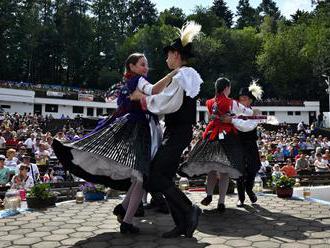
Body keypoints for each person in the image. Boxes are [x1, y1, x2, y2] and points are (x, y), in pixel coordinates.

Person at [53, 52, 177, 234]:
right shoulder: (138, 81)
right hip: (141, 130)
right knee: (141, 177)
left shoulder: (127, 83)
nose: (146, 67)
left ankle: (123, 208)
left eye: (146, 64)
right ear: (132, 67)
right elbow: (154, 91)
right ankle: (126, 222)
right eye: (142, 64)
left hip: (135, 128)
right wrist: (172, 75)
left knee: (139, 177)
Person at [129, 21, 203, 238]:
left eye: (168, 54)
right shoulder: (184, 74)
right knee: (163, 177)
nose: (166, 58)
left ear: (176, 54)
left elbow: (167, 103)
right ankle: (182, 223)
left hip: (178, 131)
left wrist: (142, 99)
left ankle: (189, 210)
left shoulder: (183, 75)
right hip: (176, 130)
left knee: (156, 176)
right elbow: (167, 102)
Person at [179, 77, 257, 213]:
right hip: (227, 137)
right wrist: (253, 113)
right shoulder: (231, 102)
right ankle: (221, 202)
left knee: (212, 168)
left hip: (211, 136)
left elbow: (212, 116)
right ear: (227, 88)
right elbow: (247, 112)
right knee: (225, 170)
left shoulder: (209, 102)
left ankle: (209, 194)